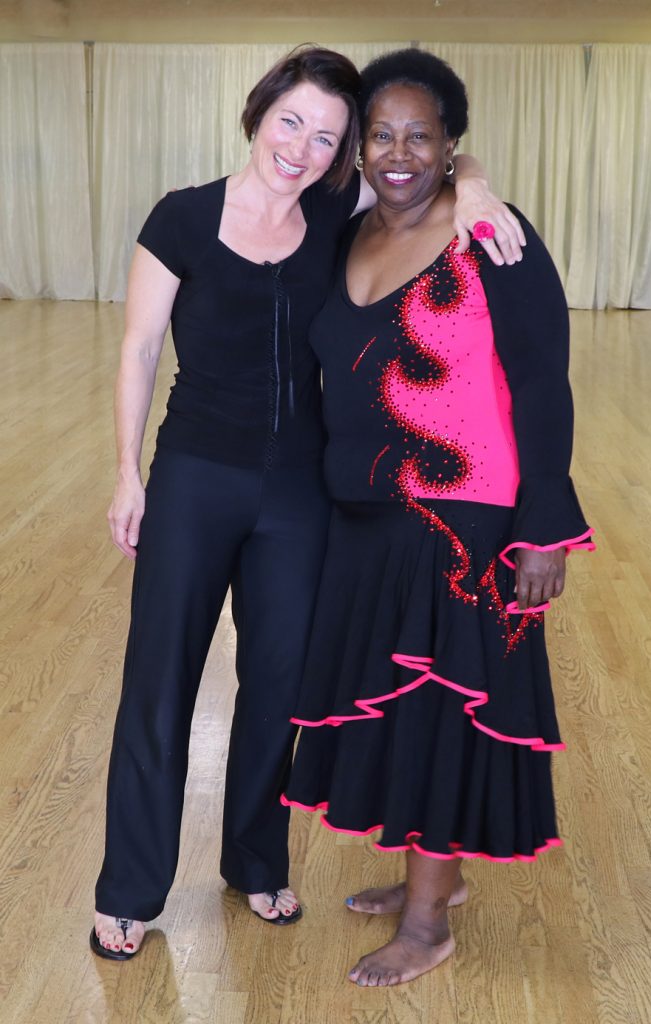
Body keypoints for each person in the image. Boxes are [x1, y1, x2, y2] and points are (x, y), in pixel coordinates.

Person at [90, 44, 526, 960]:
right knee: (158, 683)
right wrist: (127, 473)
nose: (302, 148)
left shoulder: (334, 211)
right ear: (258, 115)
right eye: (290, 122)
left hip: (299, 490)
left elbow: (424, 163)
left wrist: (477, 184)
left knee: (279, 683)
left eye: (326, 137)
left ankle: (254, 861)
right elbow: (138, 349)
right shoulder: (182, 218)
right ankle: (129, 887)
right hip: (195, 479)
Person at [281, 48, 595, 987]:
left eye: (420, 135)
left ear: (451, 142)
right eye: (381, 134)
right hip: (363, 516)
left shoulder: (489, 235)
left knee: (443, 716)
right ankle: (435, 874)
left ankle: (426, 924)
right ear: (359, 148)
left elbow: (542, 381)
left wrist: (543, 524)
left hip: (463, 522)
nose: (398, 152)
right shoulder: (344, 232)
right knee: (400, 706)